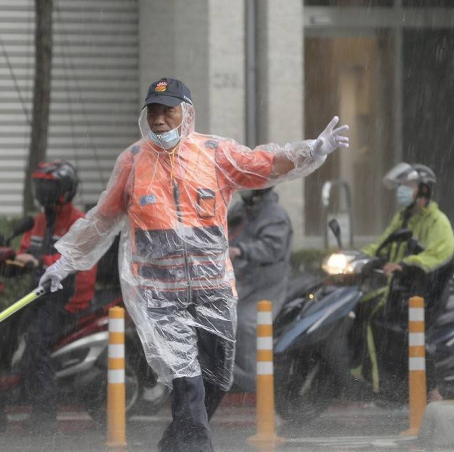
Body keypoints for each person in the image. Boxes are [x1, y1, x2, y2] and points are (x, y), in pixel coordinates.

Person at [36, 78, 349, 451]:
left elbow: (264, 164)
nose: (160, 120)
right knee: (186, 378)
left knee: (217, 379)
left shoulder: (215, 154)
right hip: (159, 297)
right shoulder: (133, 161)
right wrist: (65, 261)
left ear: (187, 113)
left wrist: (313, 150)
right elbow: (102, 219)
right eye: (153, 111)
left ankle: (174, 445)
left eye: (168, 110)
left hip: (212, 291)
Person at [356, 162, 454, 401]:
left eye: (407, 185)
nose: (401, 190)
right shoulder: (402, 218)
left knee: (412, 333)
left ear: (423, 189)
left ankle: (432, 392)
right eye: (400, 186)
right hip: (401, 289)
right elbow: (383, 244)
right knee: (372, 318)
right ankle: (385, 386)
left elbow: (438, 254)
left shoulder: (437, 221)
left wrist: (405, 264)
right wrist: (358, 257)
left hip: (427, 291)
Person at [14, 160, 97, 432]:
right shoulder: (38, 221)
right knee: (5, 334)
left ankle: (44, 415)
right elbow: (25, 249)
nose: (42, 193)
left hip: (68, 299)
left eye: (49, 187)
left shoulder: (78, 222)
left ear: (65, 191)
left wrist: (38, 262)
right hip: (40, 295)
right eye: (40, 186)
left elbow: (72, 260)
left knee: (37, 342)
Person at [227, 187, 293, 392]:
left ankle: (255, 382)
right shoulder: (241, 210)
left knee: (245, 324)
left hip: (265, 287)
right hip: (240, 281)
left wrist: (241, 250)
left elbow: (272, 248)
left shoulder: (275, 215)